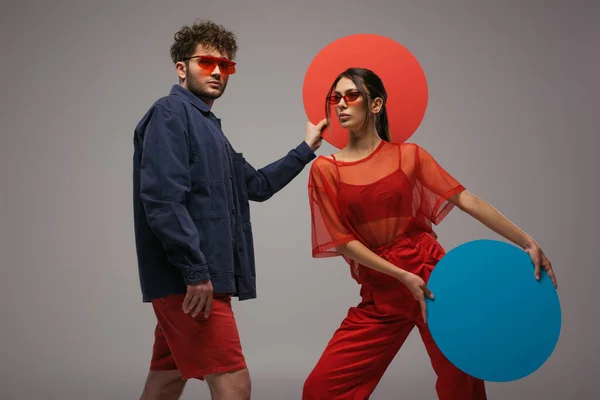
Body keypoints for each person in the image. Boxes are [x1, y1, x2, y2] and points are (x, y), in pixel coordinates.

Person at [302, 67, 557, 400]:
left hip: (434, 280)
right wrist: (401, 276)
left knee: (461, 383)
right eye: (336, 98)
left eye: (352, 96)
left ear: (376, 105)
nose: (341, 105)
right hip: (383, 288)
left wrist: (529, 242)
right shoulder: (325, 169)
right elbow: (344, 242)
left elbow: (468, 200)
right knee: (321, 389)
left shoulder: (409, 156)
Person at [132, 20, 326, 400]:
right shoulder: (171, 113)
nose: (218, 71)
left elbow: (256, 185)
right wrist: (196, 270)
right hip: (191, 282)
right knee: (234, 383)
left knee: (166, 380)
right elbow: (163, 200)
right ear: (182, 68)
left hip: (189, 281)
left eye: (226, 65)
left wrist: (306, 149)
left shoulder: (211, 131)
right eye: (207, 62)